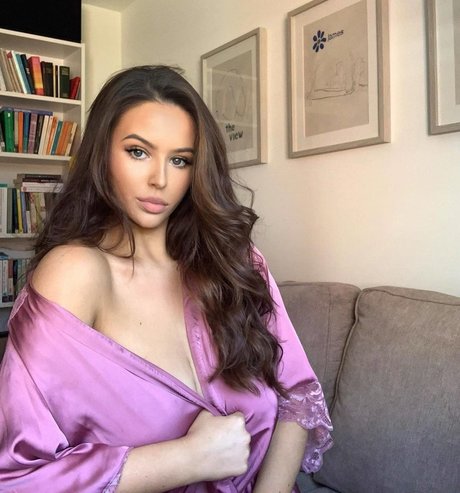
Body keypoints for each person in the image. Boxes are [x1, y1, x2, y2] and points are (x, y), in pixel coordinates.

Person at [0, 65, 333, 492]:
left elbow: (296, 395)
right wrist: (188, 459)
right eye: (138, 152)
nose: (160, 180)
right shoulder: (76, 273)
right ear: (102, 153)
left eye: (180, 160)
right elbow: (19, 478)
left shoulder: (235, 262)